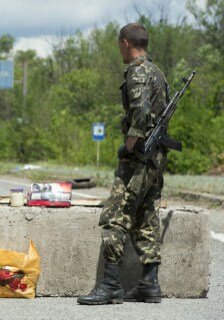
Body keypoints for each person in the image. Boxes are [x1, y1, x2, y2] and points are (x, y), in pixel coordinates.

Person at [78, 23, 169, 305]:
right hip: (156, 158)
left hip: (139, 157)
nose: (120, 49)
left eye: (120, 44)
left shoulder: (138, 72)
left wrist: (128, 146)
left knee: (114, 217)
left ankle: (110, 285)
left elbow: (140, 113)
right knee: (146, 215)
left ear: (126, 43)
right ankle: (149, 284)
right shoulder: (158, 72)